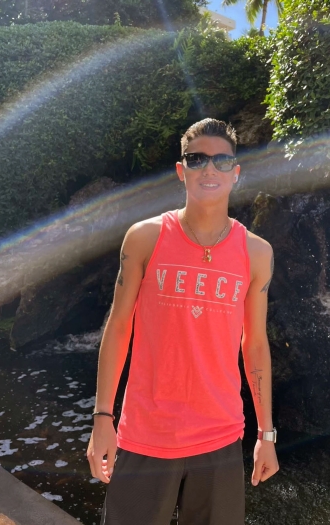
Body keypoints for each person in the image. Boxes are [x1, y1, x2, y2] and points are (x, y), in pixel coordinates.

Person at [86, 119, 279, 525]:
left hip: (221, 439)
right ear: (181, 170)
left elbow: (255, 343)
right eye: (197, 159)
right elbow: (119, 327)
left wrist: (266, 434)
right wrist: (103, 417)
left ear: (236, 173)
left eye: (222, 160)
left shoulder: (256, 253)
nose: (210, 169)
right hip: (145, 435)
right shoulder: (145, 237)